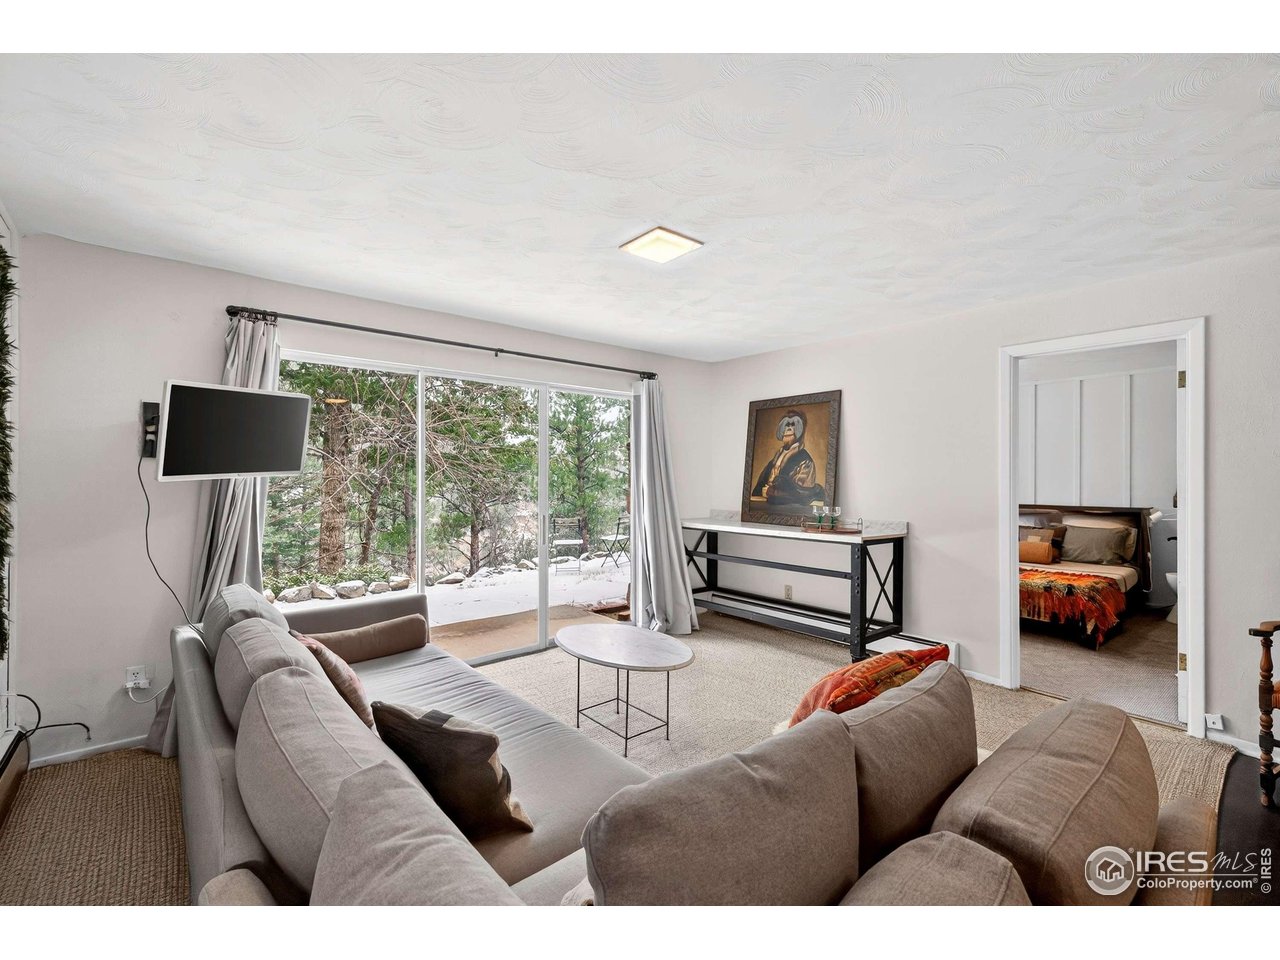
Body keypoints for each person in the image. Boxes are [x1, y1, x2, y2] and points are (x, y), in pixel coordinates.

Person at [751, 409, 826, 509]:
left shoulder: (805, 461)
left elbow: (801, 494)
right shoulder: (776, 457)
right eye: (786, 425)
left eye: (793, 425)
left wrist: (772, 492)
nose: (789, 429)